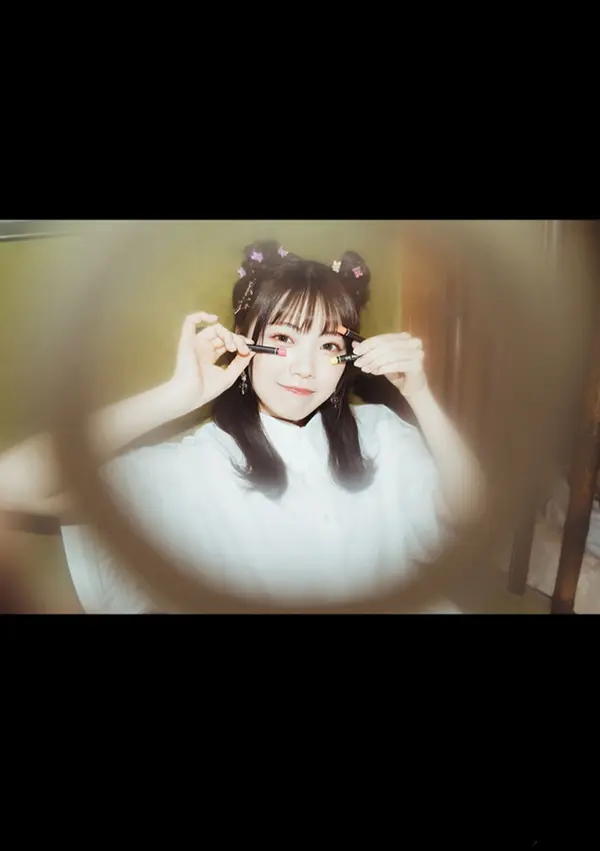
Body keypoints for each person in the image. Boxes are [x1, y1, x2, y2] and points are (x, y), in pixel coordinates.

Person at [0, 240, 485, 613]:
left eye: (328, 346)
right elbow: (10, 485)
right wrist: (173, 397)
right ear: (245, 344)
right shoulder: (190, 466)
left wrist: (421, 394)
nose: (304, 369)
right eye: (283, 338)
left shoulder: (380, 432)